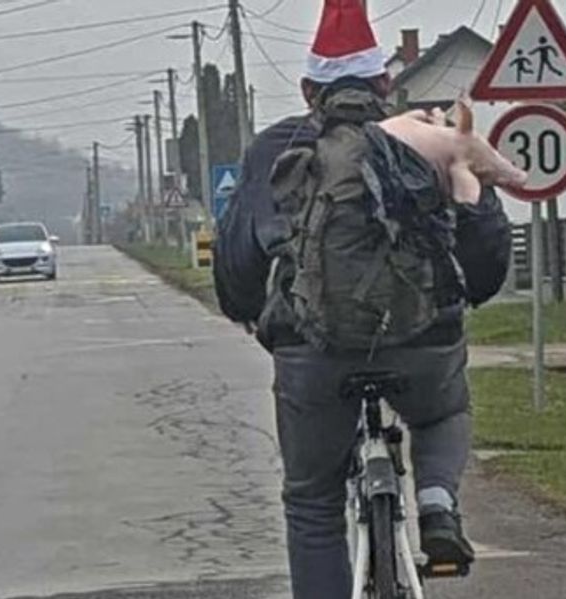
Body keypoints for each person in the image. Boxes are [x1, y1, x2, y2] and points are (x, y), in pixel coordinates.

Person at [213, 1, 512, 597]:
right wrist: (463, 298)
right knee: (444, 410)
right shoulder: (428, 138)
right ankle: (435, 505)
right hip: (422, 345)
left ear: (308, 91)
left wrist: (250, 312)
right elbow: (485, 250)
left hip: (313, 352)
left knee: (313, 504)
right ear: (384, 84)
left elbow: (238, 269)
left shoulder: (273, 152)